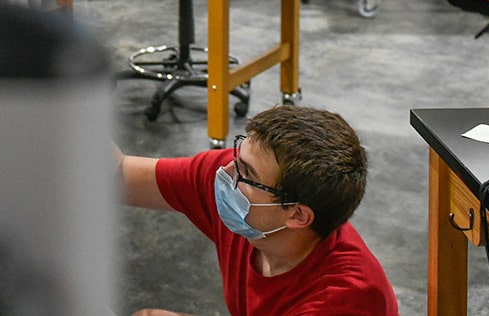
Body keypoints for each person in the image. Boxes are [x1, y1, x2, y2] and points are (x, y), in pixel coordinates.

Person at [116, 105, 398, 316]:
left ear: (297, 215)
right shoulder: (252, 201)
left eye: (246, 173)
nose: (225, 172)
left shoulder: (342, 301)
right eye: (238, 156)